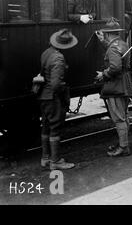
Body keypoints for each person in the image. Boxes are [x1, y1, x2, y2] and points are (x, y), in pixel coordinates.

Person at [38, 29, 78, 170]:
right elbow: (55, 84)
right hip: (53, 98)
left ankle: (45, 158)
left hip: (43, 95)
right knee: (55, 128)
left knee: (46, 126)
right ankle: (56, 162)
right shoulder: (59, 58)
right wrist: (63, 90)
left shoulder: (46, 52)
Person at [95, 19, 132, 157]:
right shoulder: (122, 44)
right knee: (124, 115)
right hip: (124, 83)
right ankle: (123, 144)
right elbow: (116, 53)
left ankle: (124, 147)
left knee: (119, 118)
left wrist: (103, 74)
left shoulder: (112, 48)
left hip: (116, 85)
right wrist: (103, 43)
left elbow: (115, 67)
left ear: (107, 34)